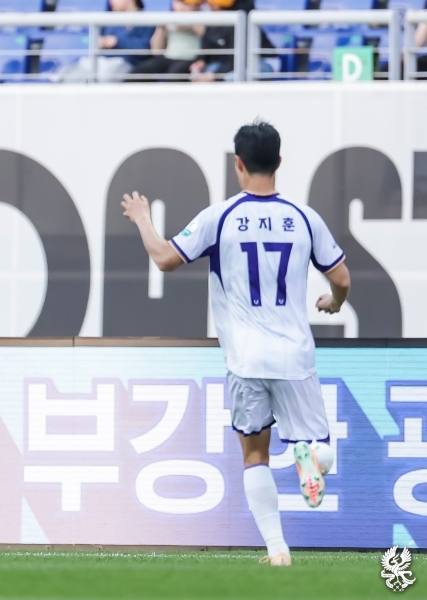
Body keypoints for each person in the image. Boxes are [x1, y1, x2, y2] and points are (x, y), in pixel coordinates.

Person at [121, 120, 350, 567]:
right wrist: (334, 302)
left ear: (238, 164)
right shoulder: (304, 218)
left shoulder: (221, 217)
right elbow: (341, 277)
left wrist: (143, 218)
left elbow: (165, 258)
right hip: (294, 356)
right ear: (279, 162)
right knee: (320, 448)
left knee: (254, 455)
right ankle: (310, 458)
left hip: (245, 358)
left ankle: (278, 550)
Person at [56, 0, 154, 83]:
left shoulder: (147, 20)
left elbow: (147, 47)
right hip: (100, 61)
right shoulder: (109, 21)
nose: (111, 1)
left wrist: (117, 41)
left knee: (105, 73)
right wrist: (100, 42)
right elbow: (96, 41)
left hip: (126, 64)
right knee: (71, 72)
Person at [189, 0, 276, 82]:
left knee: (230, 78)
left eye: (210, 3)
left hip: (261, 61)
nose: (206, 4)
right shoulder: (214, 19)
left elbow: (238, 58)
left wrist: (215, 76)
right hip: (229, 62)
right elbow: (208, 47)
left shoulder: (241, 17)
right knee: (205, 73)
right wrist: (201, 61)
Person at [131, 0, 202, 80]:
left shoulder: (204, 17)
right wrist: (161, 27)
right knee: (139, 72)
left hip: (190, 59)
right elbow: (156, 51)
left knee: (175, 73)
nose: (180, 6)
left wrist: (190, 21)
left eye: (185, 3)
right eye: (178, 2)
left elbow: (206, 35)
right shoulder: (169, 18)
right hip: (169, 57)